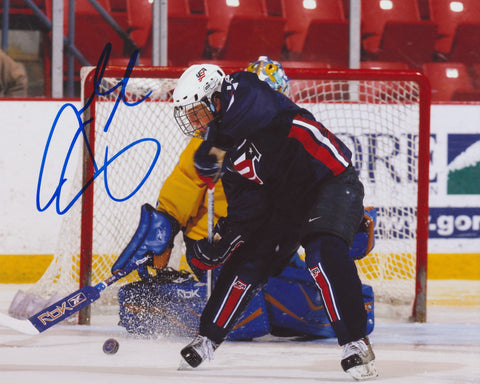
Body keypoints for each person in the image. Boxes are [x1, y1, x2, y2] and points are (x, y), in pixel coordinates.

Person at [171, 63, 378, 380]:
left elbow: (253, 107)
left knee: (322, 252)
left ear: (216, 99)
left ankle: (356, 343)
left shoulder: (246, 92)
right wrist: (223, 243)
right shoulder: (223, 150)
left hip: (329, 180)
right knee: (250, 260)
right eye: (190, 116)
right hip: (286, 200)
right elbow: (247, 208)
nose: (194, 122)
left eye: (198, 112)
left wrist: (214, 143)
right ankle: (207, 339)